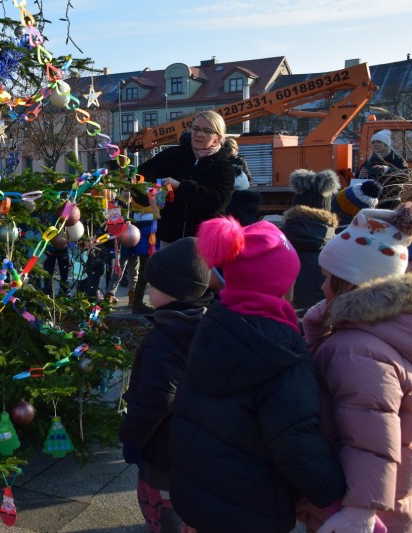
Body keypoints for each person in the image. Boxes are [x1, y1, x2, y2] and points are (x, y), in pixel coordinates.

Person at [169, 216, 346, 533]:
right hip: (251, 504)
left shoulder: (215, 322)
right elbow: (295, 439)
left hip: (199, 490)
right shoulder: (281, 351)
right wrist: (334, 492)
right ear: (283, 286)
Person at [301, 203, 412, 532]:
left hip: (361, 511)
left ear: (347, 285)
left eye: (326, 279)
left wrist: (359, 511)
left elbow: (370, 436)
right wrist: (318, 329)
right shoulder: (382, 328)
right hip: (387, 496)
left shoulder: (355, 351)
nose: (320, 287)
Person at [119, 237, 213, 532]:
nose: (148, 290)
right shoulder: (206, 323)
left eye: (153, 286)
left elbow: (156, 398)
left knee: (162, 506)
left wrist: (133, 439)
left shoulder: (166, 338)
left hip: (162, 447)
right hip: (195, 444)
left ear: (174, 292)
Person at [138, 111, 236, 244]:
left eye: (206, 131)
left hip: (205, 242)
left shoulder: (223, 166)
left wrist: (181, 187)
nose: (199, 134)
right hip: (170, 239)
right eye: (196, 128)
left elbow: (217, 201)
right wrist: (152, 191)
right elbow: (142, 174)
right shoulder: (172, 155)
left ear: (217, 139)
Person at [283, 169, 342, 312]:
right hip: (324, 317)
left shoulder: (277, 242)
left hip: (284, 316)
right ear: (328, 211)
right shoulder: (340, 248)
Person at [357, 129, 408, 202]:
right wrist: (361, 175)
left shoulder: (397, 159)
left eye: (378, 142)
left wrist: (386, 169)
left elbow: (405, 176)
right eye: (373, 142)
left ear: (385, 144)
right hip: (372, 199)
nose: (375, 144)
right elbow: (358, 178)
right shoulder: (369, 160)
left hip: (391, 199)